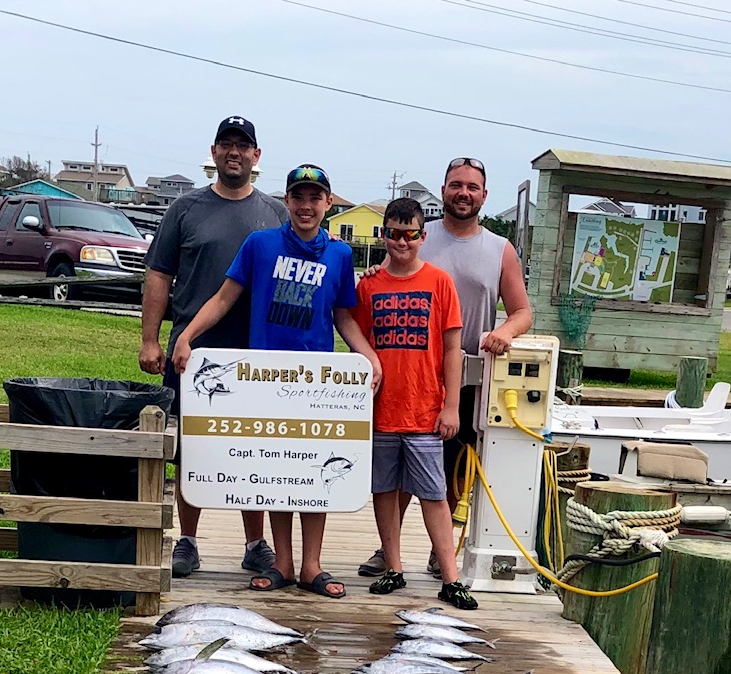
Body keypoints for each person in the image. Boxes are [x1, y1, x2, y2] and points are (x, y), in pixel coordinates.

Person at [172, 164, 382, 599]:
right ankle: (283, 562)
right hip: (264, 380)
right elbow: (225, 297)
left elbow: (343, 315)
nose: (306, 206)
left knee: (315, 469)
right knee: (279, 470)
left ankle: (312, 565)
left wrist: (368, 356)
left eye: (315, 198)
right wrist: (187, 335)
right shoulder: (260, 244)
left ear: (327, 203)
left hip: (316, 383)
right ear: (285, 201)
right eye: (298, 197)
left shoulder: (340, 255)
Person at [358, 156, 532, 579]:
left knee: (451, 469)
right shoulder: (418, 233)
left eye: (472, 187)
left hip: (467, 375)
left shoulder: (499, 248)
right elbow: (386, 276)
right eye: (456, 185)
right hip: (407, 373)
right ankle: (389, 550)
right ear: (443, 190)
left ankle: (442, 551)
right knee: (395, 472)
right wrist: (370, 273)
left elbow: (523, 311)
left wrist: (506, 331)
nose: (463, 193)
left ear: (484, 195)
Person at [139, 116, 286, 578]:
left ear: (257, 156)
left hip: (257, 350)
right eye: (227, 145)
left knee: (254, 448)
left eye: (244, 146)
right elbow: (159, 276)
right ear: (214, 153)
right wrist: (149, 338)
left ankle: (255, 542)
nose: (235, 153)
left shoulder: (276, 212)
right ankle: (188, 539)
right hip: (193, 347)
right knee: (192, 446)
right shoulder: (184, 209)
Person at [352, 197, 475, 610]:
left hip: (425, 411)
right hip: (381, 411)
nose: (401, 242)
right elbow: (354, 332)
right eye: (393, 234)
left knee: (434, 495)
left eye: (410, 235)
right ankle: (393, 567)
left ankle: (451, 577)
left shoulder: (440, 282)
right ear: (382, 234)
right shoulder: (367, 285)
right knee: (384, 491)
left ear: (423, 237)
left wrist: (451, 406)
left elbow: (452, 347)